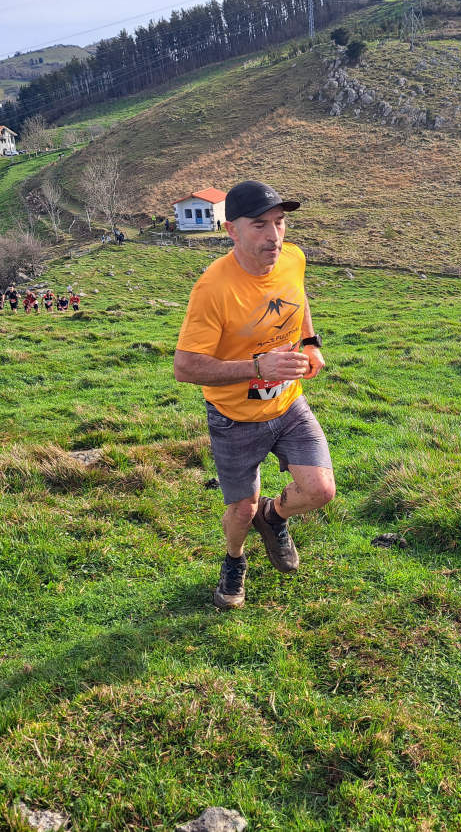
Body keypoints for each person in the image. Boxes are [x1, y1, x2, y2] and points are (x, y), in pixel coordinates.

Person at [174, 180, 334, 609]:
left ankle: (275, 516)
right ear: (232, 230)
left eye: (280, 223)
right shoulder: (213, 288)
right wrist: (258, 367)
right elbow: (185, 367)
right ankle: (234, 559)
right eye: (260, 225)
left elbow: (298, 300)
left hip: (288, 404)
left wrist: (311, 341)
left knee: (320, 491)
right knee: (239, 512)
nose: (274, 236)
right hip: (234, 418)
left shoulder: (293, 257)